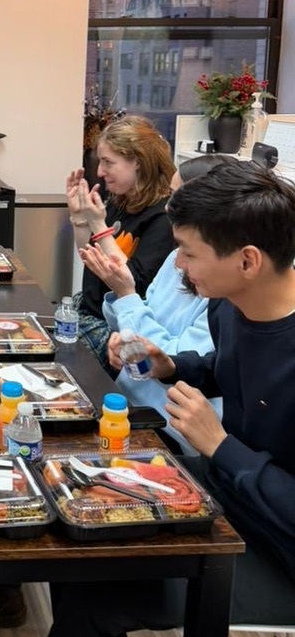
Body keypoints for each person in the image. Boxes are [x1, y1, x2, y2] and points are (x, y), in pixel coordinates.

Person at [0, 158, 295, 637]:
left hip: (276, 549)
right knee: (70, 509)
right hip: (226, 488)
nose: (179, 265)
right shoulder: (230, 306)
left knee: (101, 592)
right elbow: (228, 370)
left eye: (189, 253)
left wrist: (221, 446)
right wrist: (173, 365)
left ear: (247, 261)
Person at [79, 154, 228, 453]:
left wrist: (126, 295)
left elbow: (174, 362)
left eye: (177, 197)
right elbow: (144, 316)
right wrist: (122, 338)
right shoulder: (176, 257)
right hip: (125, 401)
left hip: (166, 428)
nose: (168, 207)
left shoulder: (221, 285)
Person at [66, 114, 175, 365]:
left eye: (108, 162)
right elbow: (91, 257)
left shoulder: (163, 216)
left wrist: (98, 224)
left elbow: (133, 283)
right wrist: (79, 217)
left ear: (137, 161)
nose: (99, 172)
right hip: (89, 310)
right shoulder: (122, 200)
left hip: (118, 332)